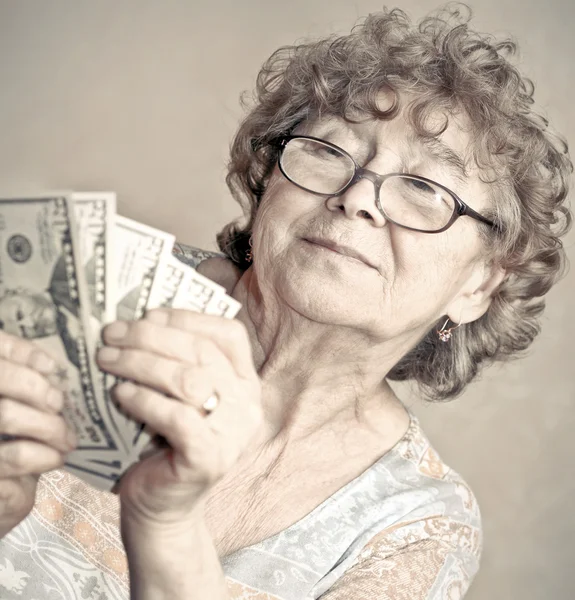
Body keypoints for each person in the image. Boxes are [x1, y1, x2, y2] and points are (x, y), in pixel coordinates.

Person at [0, 5, 571, 599]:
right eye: (329, 152)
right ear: (268, 182)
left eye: (425, 188)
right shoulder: (89, 285)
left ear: (478, 285)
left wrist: (167, 524)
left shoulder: (418, 529)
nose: (358, 199)